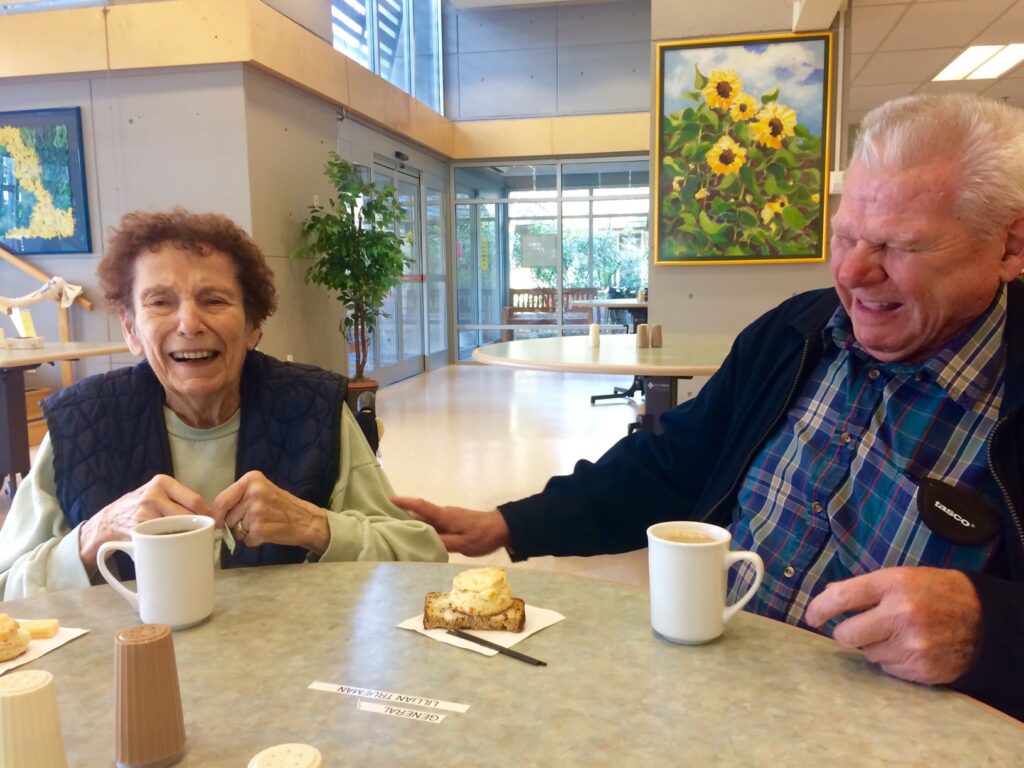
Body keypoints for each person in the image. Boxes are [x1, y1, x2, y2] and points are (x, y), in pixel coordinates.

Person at [393, 93, 1024, 720]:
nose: (854, 272)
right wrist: (508, 523)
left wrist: (989, 629)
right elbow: (673, 461)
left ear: (1009, 246)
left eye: (901, 247)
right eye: (845, 235)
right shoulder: (796, 334)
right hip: (713, 700)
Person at [0, 209, 445, 598]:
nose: (189, 323)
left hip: (292, 671)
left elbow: (421, 555)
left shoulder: (314, 408)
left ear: (253, 325)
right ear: (131, 329)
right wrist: (96, 534)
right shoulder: (81, 423)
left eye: (214, 300)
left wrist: (314, 526)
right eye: (160, 302)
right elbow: (6, 589)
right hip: (122, 677)